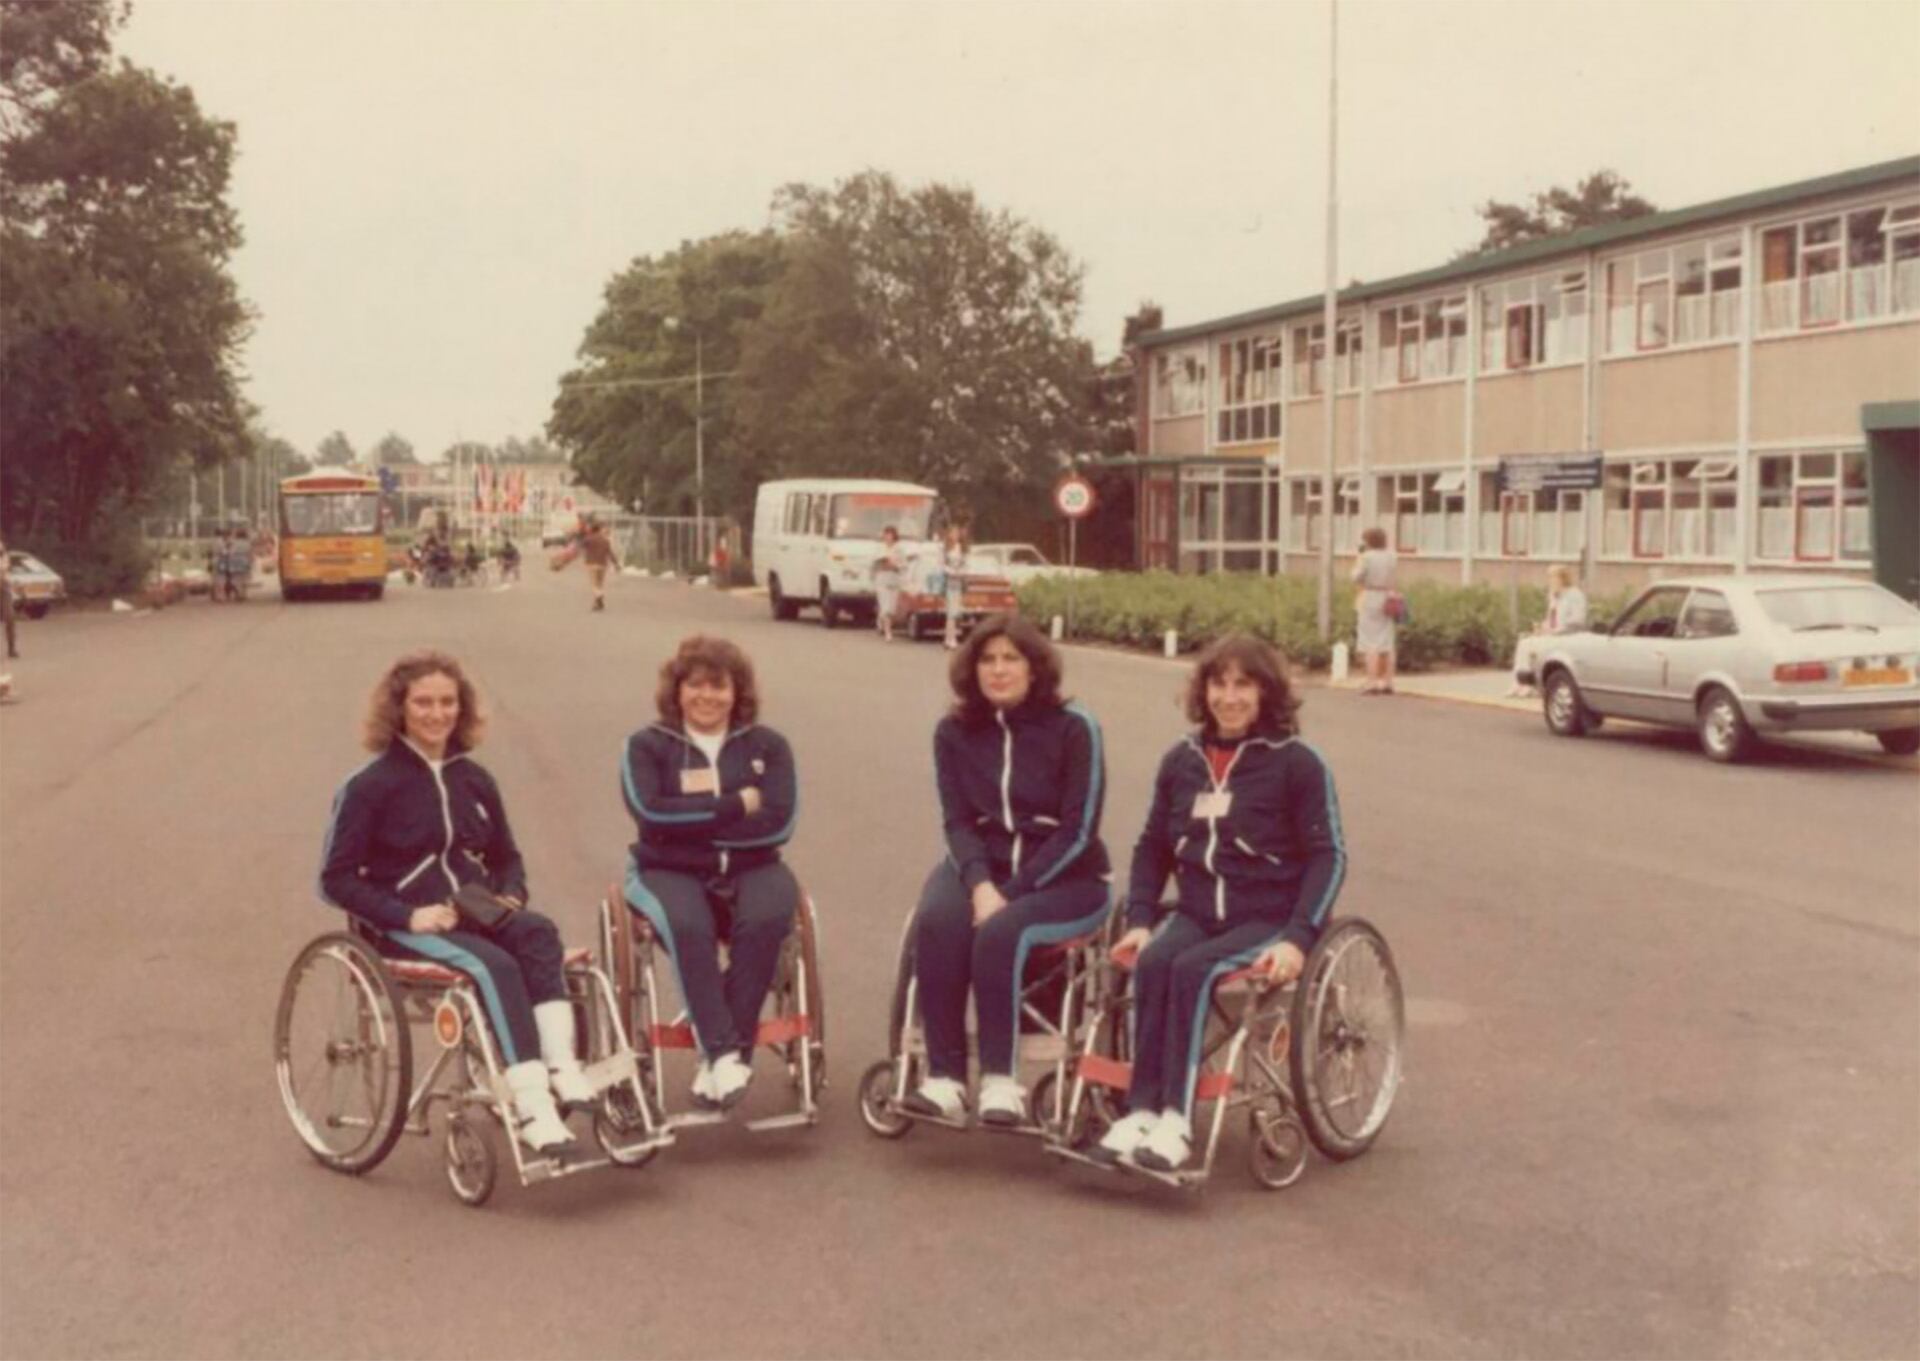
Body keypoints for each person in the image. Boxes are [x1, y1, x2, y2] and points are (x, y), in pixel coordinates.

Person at [318, 650, 591, 1156]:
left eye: (447, 702)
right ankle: (532, 1106)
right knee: (494, 967)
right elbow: (333, 879)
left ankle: (564, 1070)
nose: (436, 713)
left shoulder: (475, 780)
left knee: (538, 933)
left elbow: (506, 856)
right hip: (404, 925)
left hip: (474, 910)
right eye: (423, 702)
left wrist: (511, 891)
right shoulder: (369, 786)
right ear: (399, 708)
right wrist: (408, 915)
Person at [1098, 635, 1347, 1172]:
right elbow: (1152, 847)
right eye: (1218, 683)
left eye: (1243, 685)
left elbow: (1329, 855)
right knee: (1157, 961)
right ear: (1203, 690)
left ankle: (1177, 1121)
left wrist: (1298, 938)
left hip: (1266, 915)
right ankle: (1141, 1110)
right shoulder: (1181, 759)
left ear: (1265, 693)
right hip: (1197, 912)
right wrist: (1140, 919)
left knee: (1191, 969)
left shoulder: (1296, 763)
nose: (1228, 697)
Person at [904, 614, 1109, 1126]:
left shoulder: (1076, 727)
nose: (998, 670)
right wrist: (978, 882)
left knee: (998, 930)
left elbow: (1077, 829)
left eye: (1010, 659)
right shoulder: (953, 732)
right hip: (982, 865)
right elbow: (957, 821)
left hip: (1066, 875)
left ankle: (1001, 1081)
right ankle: (945, 1078)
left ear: (1034, 667)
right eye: (987, 660)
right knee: (935, 919)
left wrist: (1010, 892)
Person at [620, 636, 800, 1111]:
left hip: (754, 866)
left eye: (719, 687)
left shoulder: (769, 745)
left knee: (766, 920)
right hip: (669, 871)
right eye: (695, 685)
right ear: (676, 691)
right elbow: (650, 814)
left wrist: (695, 825)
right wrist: (735, 805)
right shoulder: (647, 746)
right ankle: (723, 1053)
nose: (707, 696)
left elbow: (780, 821)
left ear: (737, 693)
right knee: (688, 925)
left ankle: (722, 1059)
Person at [1507, 564, 1589, 697]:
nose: (1550, 581)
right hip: (1553, 633)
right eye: (1549, 578)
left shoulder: (1575, 595)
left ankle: (1529, 685)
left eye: (1553, 578)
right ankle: (1518, 683)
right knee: (1523, 641)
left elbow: (1578, 620)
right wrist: (1542, 627)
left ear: (1562, 579)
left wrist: (1554, 630)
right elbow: (1551, 618)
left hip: (1567, 635)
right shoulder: (1554, 595)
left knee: (1528, 645)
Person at [1351, 526, 1398, 695]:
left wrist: (1358, 557)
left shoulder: (1366, 557)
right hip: (1388, 595)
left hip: (1370, 595)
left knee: (1370, 641)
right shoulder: (1392, 556)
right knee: (1387, 640)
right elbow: (1394, 577)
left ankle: (1371, 682)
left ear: (1368, 541)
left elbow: (1356, 577)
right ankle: (1388, 682)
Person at [871, 526, 904, 642]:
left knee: (891, 608)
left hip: (894, 578)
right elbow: (874, 563)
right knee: (886, 606)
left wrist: (895, 565)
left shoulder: (899, 549)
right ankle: (888, 632)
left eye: (890, 535)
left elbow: (903, 564)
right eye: (886, 535)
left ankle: (881, 619)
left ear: (894, 536)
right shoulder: (880, 548)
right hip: (882, 578)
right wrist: (881, 564)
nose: (888, 537)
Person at [939, 524, 970, 650]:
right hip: (949, 581)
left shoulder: (962, 549)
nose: (955, 536)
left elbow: (966, 564)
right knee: (951, 612)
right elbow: (941, 564)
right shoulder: (945, 549)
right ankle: (951, 639)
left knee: (955, 612)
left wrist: (961, 571)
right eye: (953, 533)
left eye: (957, 533)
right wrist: (951, 571)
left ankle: (948, 638)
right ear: (949, 535)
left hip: (959, 581)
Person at [580, 519, 618, 612]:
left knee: (594, 584)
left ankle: (599, 597)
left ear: (591, 530)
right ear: (599, 530)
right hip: (603, 564)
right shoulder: (605, 540)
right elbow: (610, 553)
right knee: (600, 583)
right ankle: (597, 603)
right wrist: (616, 564)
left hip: (592, 564)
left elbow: (579, 547)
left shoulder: (588, 539)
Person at [0, 535, 18, 660]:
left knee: (10, 617)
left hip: (3, 585)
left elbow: (5, 566)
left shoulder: (2, 549)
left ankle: (11, 648)